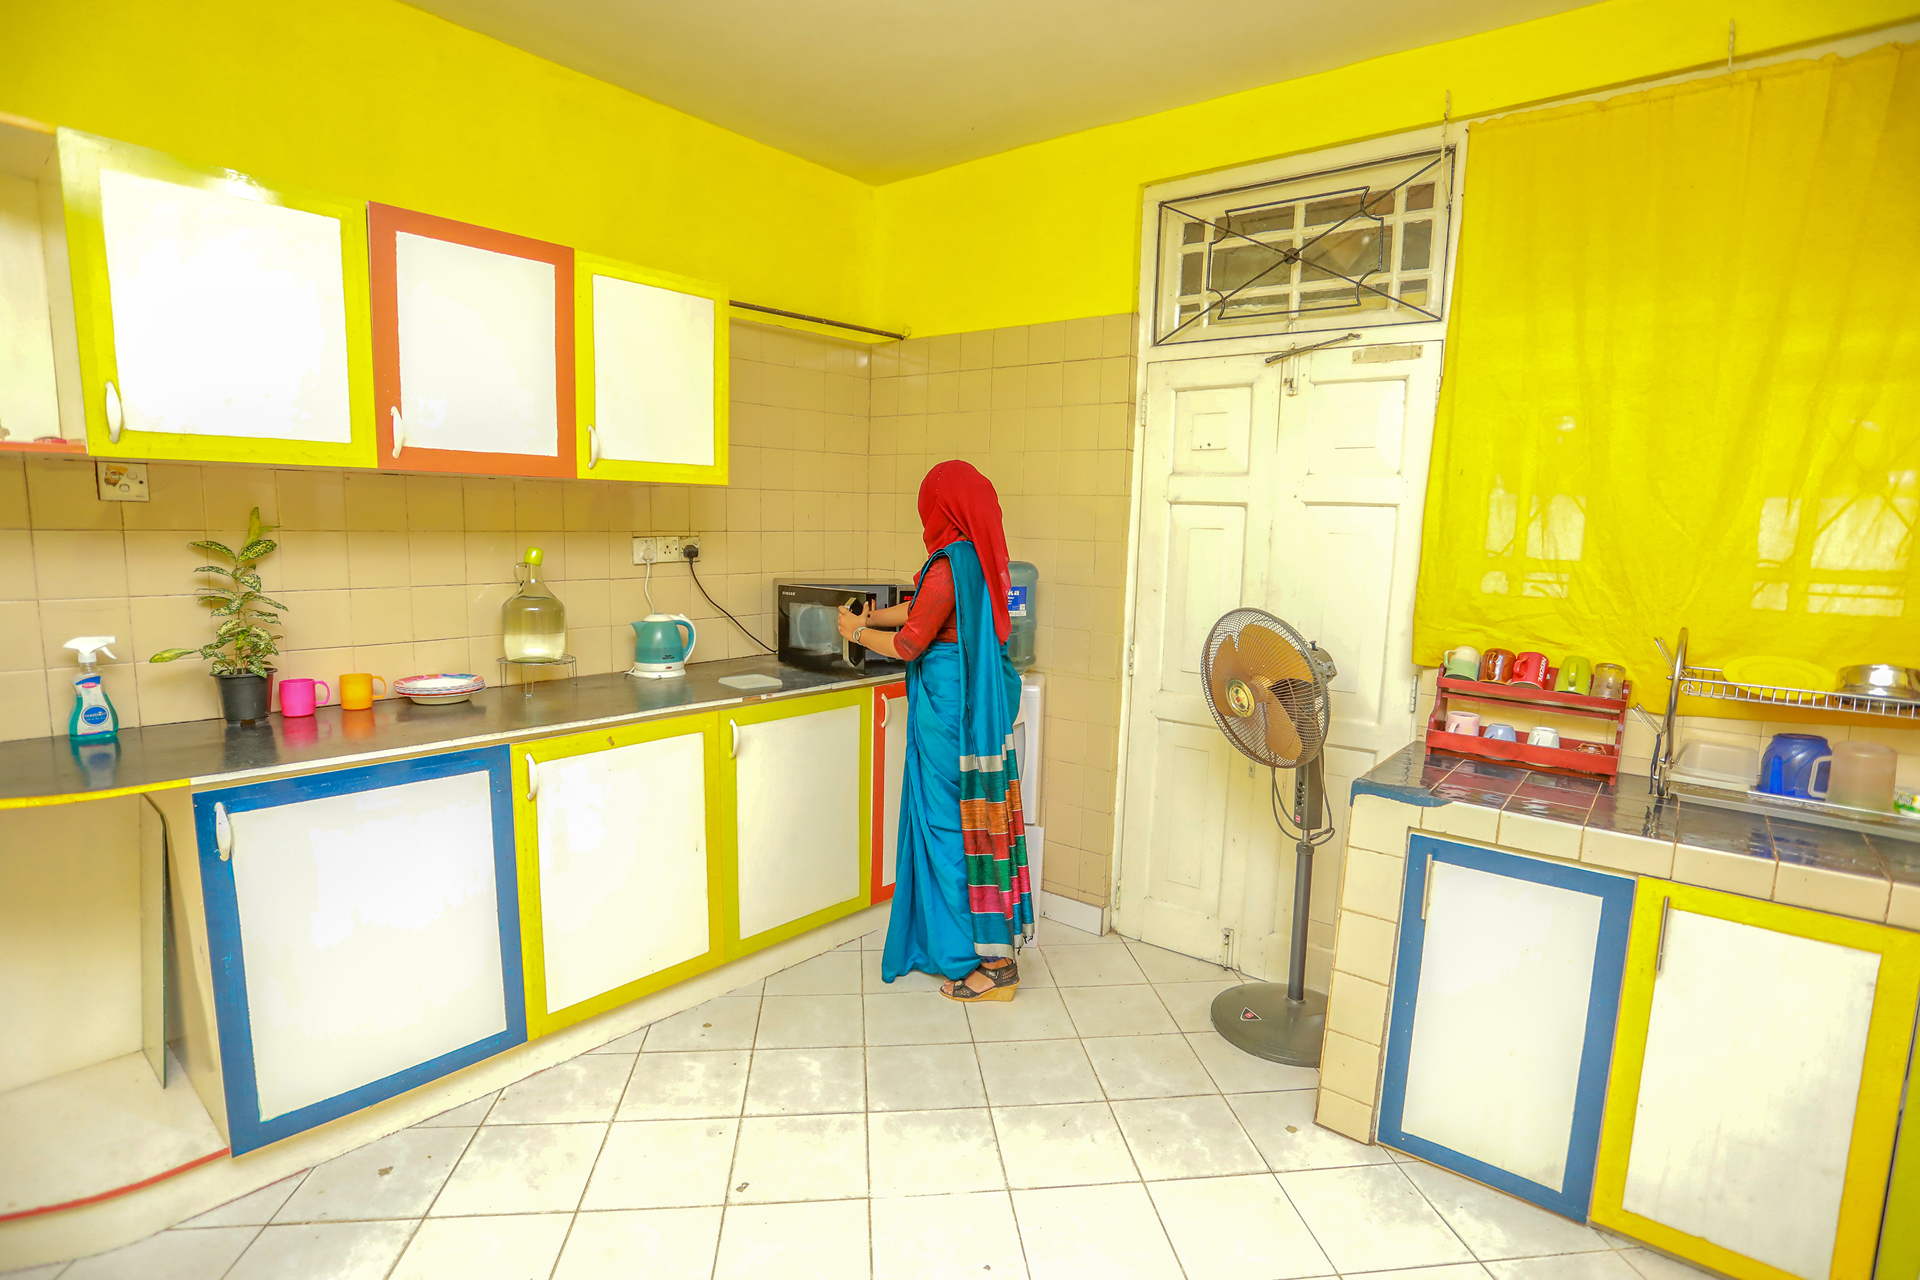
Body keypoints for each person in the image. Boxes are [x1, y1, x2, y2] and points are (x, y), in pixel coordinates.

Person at [837, 460, 1035, 1001]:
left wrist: (856, 633)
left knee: (952, 829)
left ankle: (991, 965)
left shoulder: (949, 563)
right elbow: (923, 609)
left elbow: (910, 643)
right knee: (973, 821)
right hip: (965, 703)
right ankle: (970, 948)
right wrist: (873, 617)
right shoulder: (974, 557)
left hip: (948, 709)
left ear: (941, 508)